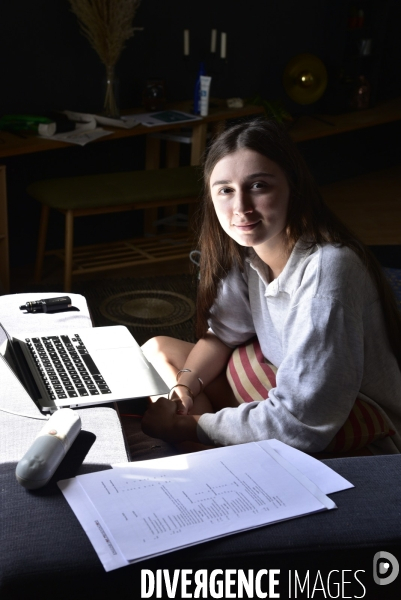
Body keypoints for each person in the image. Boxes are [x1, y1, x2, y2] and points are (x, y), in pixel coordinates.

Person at [141, 118, 401, 455]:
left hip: (357, 426)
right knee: (156, 351)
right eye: (225, 190)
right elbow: (221, 335)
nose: (241, 207)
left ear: (294, 187)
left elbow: (302, 422)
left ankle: (206, 444)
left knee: (176, 431)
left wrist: (185, 424)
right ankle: (209, 435)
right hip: (285, 383)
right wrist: (185, 388)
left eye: (259, 186)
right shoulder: (249, 251)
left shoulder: (329, 270)